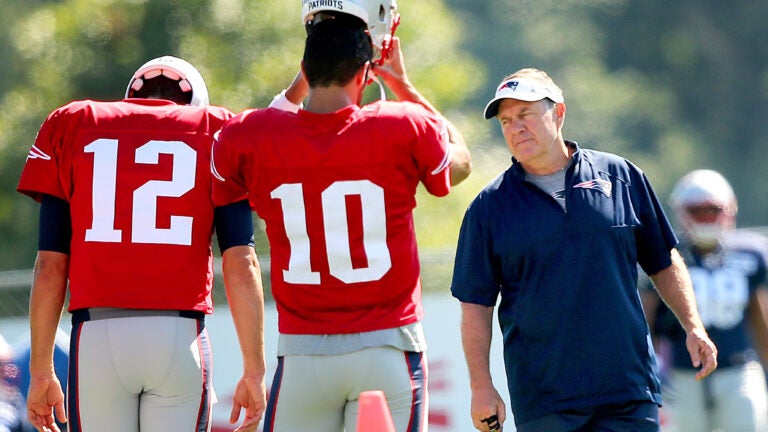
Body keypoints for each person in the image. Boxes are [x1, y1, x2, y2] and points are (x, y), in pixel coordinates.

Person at [210, 13, 472, 432]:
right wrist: (402, 83)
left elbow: (253, 137)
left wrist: (299, 84)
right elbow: (459, 161)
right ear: (364, 75)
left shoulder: (250, 135)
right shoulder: (400, 123)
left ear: (304, 69)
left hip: (301, 357)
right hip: (386, 347)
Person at [450, 67, 718, 432]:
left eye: (526, 114)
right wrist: (481, 387)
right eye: (506, 121)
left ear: (558, 113)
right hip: (544, 398)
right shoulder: (489, 207)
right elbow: (475, 304)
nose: (516, 128)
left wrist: (693, 325)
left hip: (627, 387)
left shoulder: (620, 176)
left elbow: (663, 259)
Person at [16, 55, 268, 432]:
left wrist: (40, 371)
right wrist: (254, 371)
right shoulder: (218, 129)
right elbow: (241, 262)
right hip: (178, 336)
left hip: (96, 336)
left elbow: (50, 265)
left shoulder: (73, 123)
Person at [641, 169, 768, 432]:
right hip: (680, 374)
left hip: (739, 370)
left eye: (713, 210)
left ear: (729, 209)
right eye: (698, 211)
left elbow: (759, 317)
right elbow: (647, 321)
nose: (706, 218)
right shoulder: (668, 258)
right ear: (682, 212)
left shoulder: (750, 254)